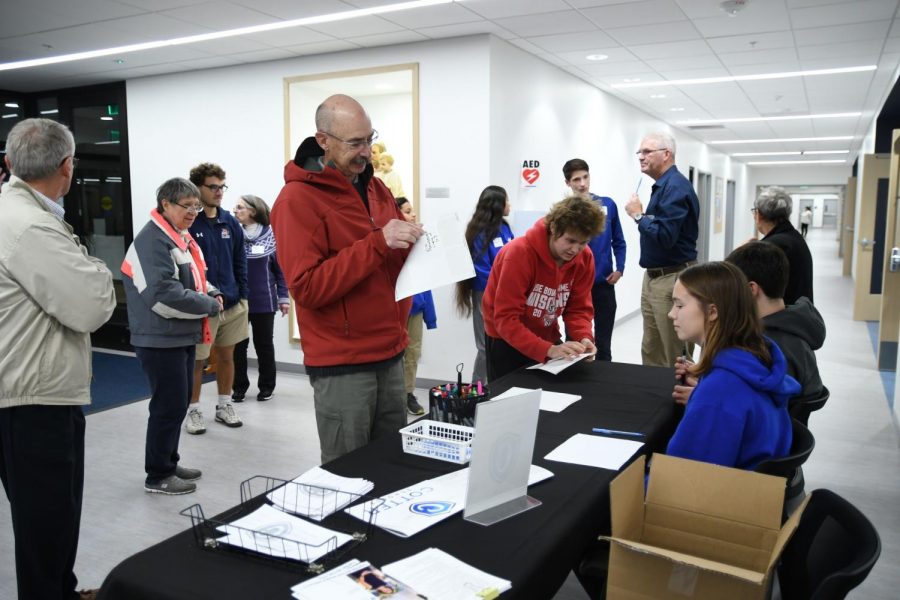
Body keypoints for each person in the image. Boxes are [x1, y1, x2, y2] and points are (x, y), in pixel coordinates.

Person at [271, 94, 423, 464]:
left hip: (390, 350)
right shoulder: (296, 200)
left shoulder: (376, 187)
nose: (367, 152)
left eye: (369, 139)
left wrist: (415, 243)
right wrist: (378, 242)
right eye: (355, 142)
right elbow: (307, 287)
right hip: (343, 363)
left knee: (390, 465)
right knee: (348, 472)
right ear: (323, 140)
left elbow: (386, 258)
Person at [0, 118, 115, 599]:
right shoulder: (30, 227)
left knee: (46, 518)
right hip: (34, 399)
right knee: (48, 522)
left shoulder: (20, 215)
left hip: (25, 389)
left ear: (8, 164)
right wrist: (98, 270)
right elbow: (92, 305)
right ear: (67, 167)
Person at [122, 178, 223, 495]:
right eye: (187, 205)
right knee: (167, 406)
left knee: (177, 404)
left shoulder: (179, 237)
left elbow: (196, 277)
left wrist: (213, 292)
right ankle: (158, 475)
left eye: (196, 205)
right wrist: (209, 305)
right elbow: (163, 295)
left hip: (179, 335)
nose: (194, 211)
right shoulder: (152, 241)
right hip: (159, 337)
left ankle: (168, 460)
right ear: (165, 203)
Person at [665, 262, 798, 470]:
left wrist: (706, 399)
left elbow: (683, 478)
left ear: (712, 312)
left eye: (679, 305)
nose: (671, 314)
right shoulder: (756, 355)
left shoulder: (720, 390)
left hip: (728, 496)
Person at [482, 195, 604, 381]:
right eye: (570, 241)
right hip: (505, 339)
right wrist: (548, 350)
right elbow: (505, 319)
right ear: (554, 229)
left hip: (545, 334)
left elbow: (578, 308)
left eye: (583, 243)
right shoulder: (519, 253)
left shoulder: (584, 258)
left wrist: (583, 337)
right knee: (510, 401)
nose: (575, 250)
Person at [625, 132, 700, 368]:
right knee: (652, 348)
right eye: (640, 152)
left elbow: (665, 237)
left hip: (672, 279)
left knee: (675, 353)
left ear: (666, 154)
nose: (641, 157)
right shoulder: (662, 186)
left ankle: (680, 402)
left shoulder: (676, 187)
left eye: (647, 152)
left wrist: (638, 215)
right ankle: (654, 399)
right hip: (654, 277)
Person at [185, 162, 248, 433]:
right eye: (213, 187)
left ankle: (224, 405)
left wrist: (243, 295)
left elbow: (240, 261)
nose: (219, 192)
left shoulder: (229, 221)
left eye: (222, 187)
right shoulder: (189, 224)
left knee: (226, 356)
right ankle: (193, 411)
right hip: (204, 306)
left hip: (233, 304)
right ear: (198, 188)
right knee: (198, 360)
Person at [726, 242, 825, 405]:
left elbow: (753, 410)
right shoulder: (797, 327)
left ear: (751, 289)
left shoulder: (766, 347)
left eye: (731, 287)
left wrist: (701, 395)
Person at [563, 158, 626, 361]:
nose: (582, 183)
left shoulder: (608, 204)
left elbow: (619, 240)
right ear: (568, 183)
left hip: (603, 285)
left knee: (603, 344)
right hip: (575, 288)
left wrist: (620, 268)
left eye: (585, 177)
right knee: (574, 343)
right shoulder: (565, 211)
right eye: (576, 179)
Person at [231, 194, 290, 402]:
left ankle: (266, 386)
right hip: (238, 301)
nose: (235, 211)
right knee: (238, 346)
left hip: (265, 300)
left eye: (240, 207)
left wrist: (284, 298)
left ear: (253, 211)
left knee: (264, 344)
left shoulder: (272, 236)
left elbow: (281, 270)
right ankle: (238, 387)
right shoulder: (233, 235)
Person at [455, 185, 514, 384]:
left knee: (505, 344)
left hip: (508, 296)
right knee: (485, 347)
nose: (509, 204)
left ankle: (499, 385)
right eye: (507, 200)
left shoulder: (505, 228)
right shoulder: (479, 233)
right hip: (486, 295)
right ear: (498, 204)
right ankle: (477, 389)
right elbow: (481, 270)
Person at [396, 197, 435, 416]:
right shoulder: (392, 243)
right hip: (396, 310)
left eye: (413, 211)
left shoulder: (419, 244)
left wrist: (431, 315)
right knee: (396, 355)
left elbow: (425, 281)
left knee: (413, 353)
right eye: (408, 211)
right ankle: (395, 396)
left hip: (416, 307)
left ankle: (408, 393)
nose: (413, 215)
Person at [753, 186, 814, 304]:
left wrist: (742, 252)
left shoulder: (771, 247)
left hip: (783, 318)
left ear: (758, 215)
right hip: (799, 315)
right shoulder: (793, 237)